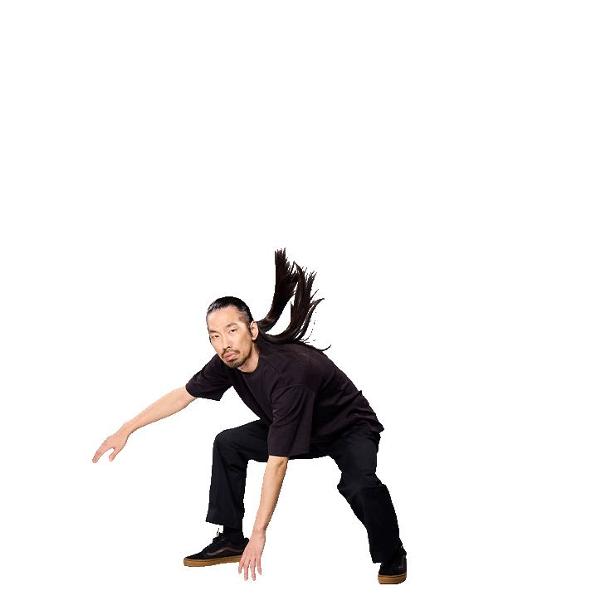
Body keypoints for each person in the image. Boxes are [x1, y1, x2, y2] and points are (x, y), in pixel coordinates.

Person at [92, 248, 407, 584]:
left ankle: (392, 554)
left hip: (348, 428)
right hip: (298, 425)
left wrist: (259, 533)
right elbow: (183, 395)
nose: (224, 343)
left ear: (252, 331)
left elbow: (278, 462)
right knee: (228, 443)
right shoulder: (229, 361)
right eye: (215, 336)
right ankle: (230, 538)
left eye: (232, 331)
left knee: (359, 484)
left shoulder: (290, 374)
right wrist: (127, 429)